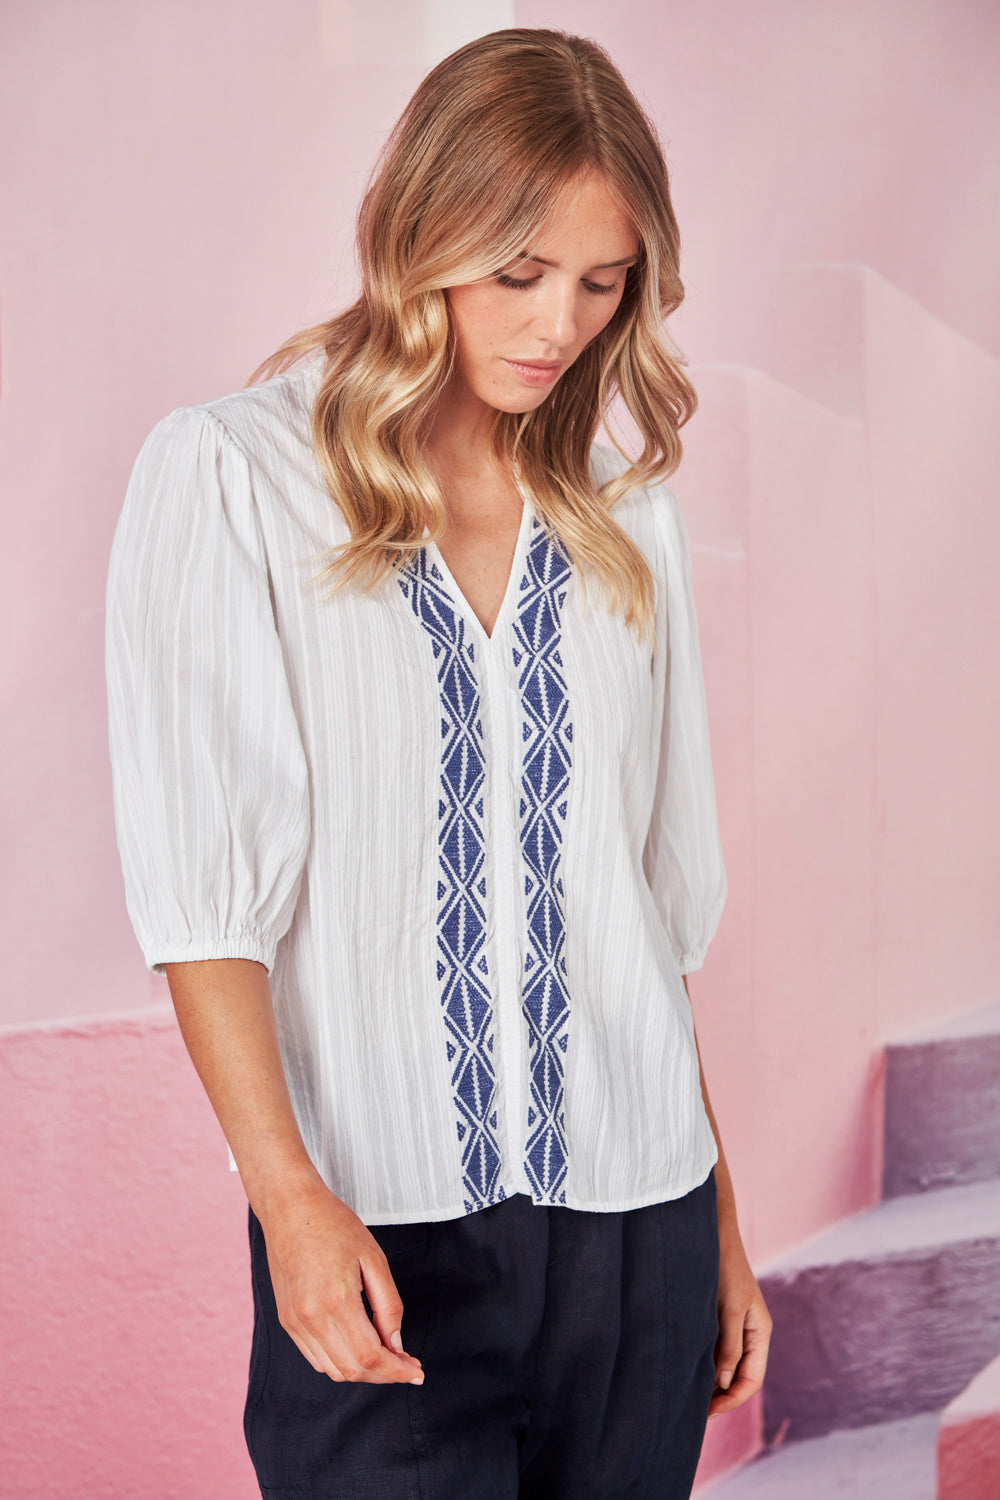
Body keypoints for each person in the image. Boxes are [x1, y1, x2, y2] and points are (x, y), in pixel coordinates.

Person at [105, 26, 771, 1500]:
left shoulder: (626, 514)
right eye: (519, 273)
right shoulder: (236, 478)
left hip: (643, 1231)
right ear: (425, 235)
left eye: (603, 283)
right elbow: (208, 904)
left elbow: (642, 915)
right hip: (379, 1231)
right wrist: (286, 1198)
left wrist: (719, 1213)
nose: (558, 326)